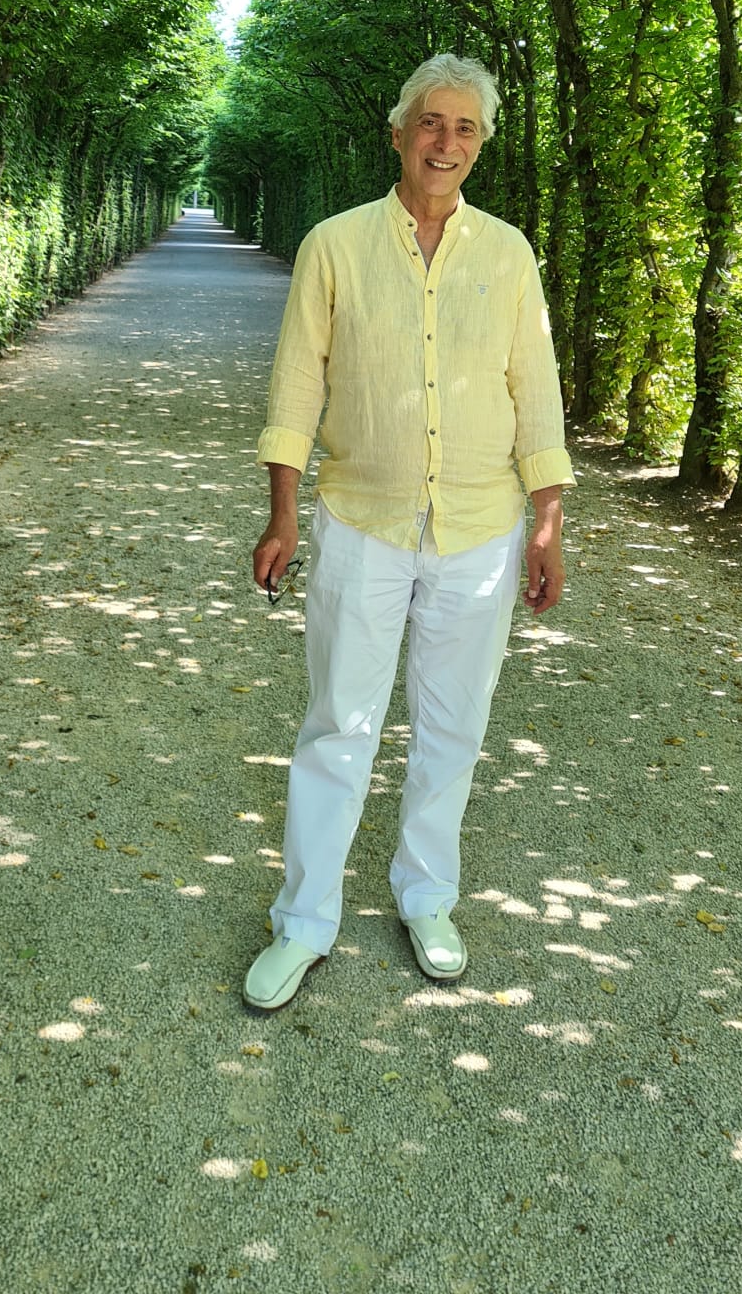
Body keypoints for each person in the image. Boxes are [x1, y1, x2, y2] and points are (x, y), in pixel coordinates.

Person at [243, 53, 574, 1011]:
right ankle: (304, 922)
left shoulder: (508, 254)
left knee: (453, 728)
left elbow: (537, 392)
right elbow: (297, 383)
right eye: (432, 122)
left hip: (480, 531)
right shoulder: (335, 246)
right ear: (398, 133)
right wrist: (282, 510)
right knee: (338, 725)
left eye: (466, 127)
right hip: (362, 521)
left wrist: (547, 524)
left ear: (481, 144)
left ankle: (427, 898)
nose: (446, 142)